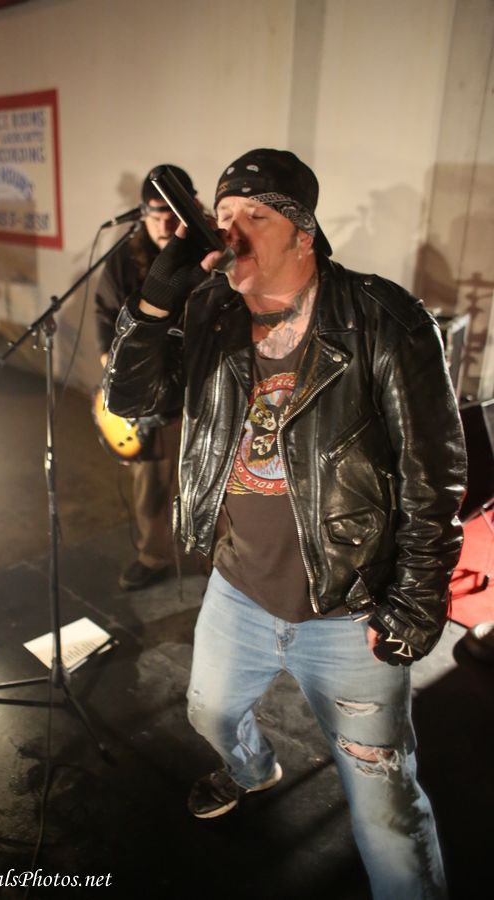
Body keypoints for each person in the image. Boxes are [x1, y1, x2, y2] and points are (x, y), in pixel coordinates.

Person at [103, 149, 467, 898]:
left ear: (304, 233)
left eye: (255, 216)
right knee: (209, 711)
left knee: (385, 802)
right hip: (238, 587)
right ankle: (250, 769)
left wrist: (414, 602)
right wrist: (153, 307)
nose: (230, 231)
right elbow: (135, 405)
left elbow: (434, 477)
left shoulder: (382, 319)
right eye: (223, 216)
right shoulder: (210, 311)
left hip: (349, 607)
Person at [94, 165, 197, 590]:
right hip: (154, 397)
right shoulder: (123, 260)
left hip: (203, 387)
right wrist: (118, 377)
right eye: (156, 215)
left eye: (174, 214)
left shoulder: (208, 255)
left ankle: (225, 560)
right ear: (142, 214)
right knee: (152, 481)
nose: (165, 225)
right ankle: (154, 556)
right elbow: (105, 320)